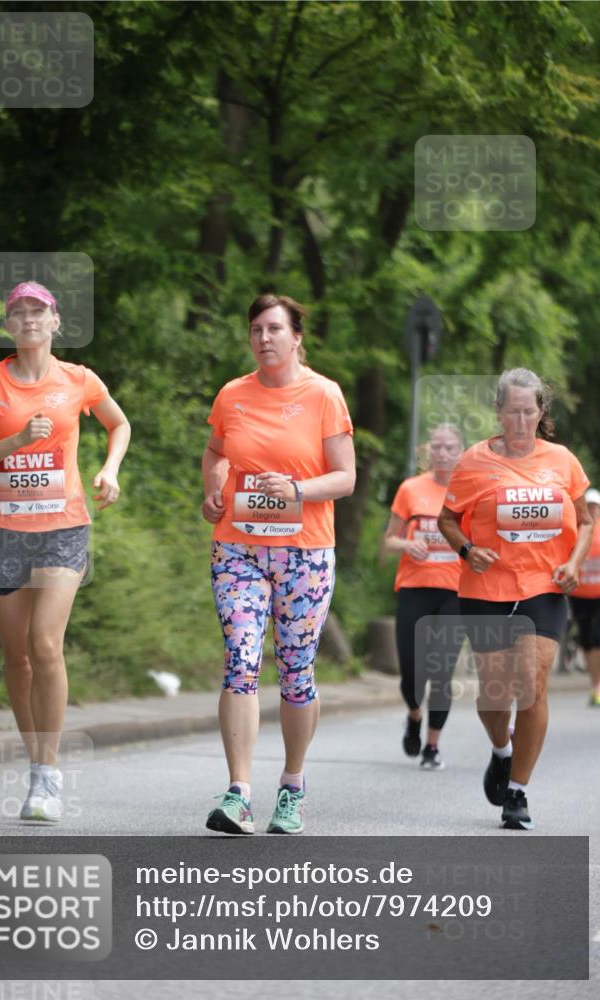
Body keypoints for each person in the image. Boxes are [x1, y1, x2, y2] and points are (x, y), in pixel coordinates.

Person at [0, 282, 130, 822]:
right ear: (8, 325)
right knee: (18, 658)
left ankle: (48, 776)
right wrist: (16, 441)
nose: (29, 319)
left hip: (63, 527)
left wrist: (110, 469)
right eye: (19, 312)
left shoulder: (79, 379)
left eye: (39, 311)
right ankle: (36, 763)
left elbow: (119, 423)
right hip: (3, 531)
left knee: (45, 643)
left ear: (56, 321)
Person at [201, 293, 355, 835]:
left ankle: (292, 786)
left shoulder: (323, 394)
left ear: (296, 337)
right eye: (256, 330)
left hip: (304, 553)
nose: (263, 338)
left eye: (274, 329)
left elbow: (345, 477)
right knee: (241, 660)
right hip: (237, 548)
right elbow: (216, 452)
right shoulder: (232, 394)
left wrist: (296, 488)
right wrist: (213, 489)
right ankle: (238, 793)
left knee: (295, 670)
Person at [438, 368, 593, 830]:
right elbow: (447, 519)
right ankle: (502, 749)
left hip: (544, 586)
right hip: (486, 588)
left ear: (541, 411)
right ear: (498, 411)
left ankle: (518, 791)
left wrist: (574, 563)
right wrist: (467, 550)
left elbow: (585, 521)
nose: (521, 421)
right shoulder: (473, 461)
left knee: (532, 683)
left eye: (529, 412)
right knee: (494, 695)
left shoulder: (562, 460)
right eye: (512, 412)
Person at [380, 424, 465, 770]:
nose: (442, 453)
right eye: (437, 447)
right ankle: (414, 714)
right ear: (429, 450)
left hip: (455, 593)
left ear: (461, 452)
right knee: (412, 673)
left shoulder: (470, 492)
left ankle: (432, 746)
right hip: (414, 589)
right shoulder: (410, 489)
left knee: (443, 671)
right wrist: (406, 544)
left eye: (450, 448)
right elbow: (389, 540)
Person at [569, 488, 600, 707]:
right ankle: (594, 684)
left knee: (598, 637)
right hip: (580, 593)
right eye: (589, 505)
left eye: (596, 506)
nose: (592, 509)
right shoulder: (575, 528)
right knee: (585, 639)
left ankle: (599, 685)